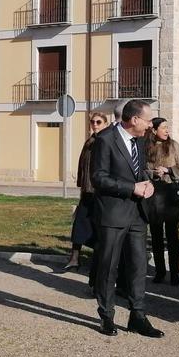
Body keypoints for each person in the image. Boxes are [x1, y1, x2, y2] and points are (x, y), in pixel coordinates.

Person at [91, 98, 163, 338]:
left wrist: (148, 181)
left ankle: (138, 316)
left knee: (138, 265)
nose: (151, 125)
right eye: (148, 120)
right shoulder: (105, 140)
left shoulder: (139, 141)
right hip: (113, 212)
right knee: (108, 265)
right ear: (134, 120)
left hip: (137, 213)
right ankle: (107, 316)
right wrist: (131, 187)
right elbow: (98, 178)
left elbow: (138, 170)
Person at [146, 116, 179, 285]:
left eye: (167, 127)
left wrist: (169, 170)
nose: (167, 130)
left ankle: (175, 273)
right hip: (153, 196)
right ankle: (159, 271)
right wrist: (152, 173)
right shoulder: (145, 146)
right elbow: (140, 169)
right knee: (156, 237)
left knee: (173, 237)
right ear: (154, 130)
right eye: (163, 128)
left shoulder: (173, 145)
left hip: (171, 197)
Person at [65, 111, 108, 273]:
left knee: (99, 227)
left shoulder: (107, 141)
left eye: (98, 122)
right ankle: (74, 258)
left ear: (105, 124)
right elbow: (82, 164)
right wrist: (81, 184)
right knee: (79, 224)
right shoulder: (89, 142)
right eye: (92, 122)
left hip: (100, 192)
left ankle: (98, 262)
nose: (95, 125)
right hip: (87, 191)